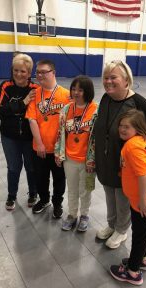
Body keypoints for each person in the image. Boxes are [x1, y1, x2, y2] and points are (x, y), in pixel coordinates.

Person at [94, 60, 146, 249]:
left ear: (126, 80)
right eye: (106, 77)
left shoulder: (139, 103)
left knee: (122, 201)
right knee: (110, 198)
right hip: (105, 164)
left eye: (113, 77)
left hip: (125, 170)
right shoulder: (105, 99)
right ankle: (112, 225)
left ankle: (121, 230)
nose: (108, 81)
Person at [110, 109, 146, 285]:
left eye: (127, 126)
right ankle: (144, 259)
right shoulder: (140, 140)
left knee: (139, 237)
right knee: (141, 234)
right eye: (120, 125)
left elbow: (144, 174)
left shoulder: (133, 146)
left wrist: (143, 200)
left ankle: (133, 272)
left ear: (138, 128)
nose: (122, 129)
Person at [25, 59, 70, 218]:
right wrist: (39, 143)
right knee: (41, 178)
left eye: (44, 72)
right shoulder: (35, 94)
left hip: (59, 149)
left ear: (53, 73)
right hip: (40, 147)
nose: (40, 75)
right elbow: (32, 119)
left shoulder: (66, 94)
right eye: (38, 72)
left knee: (59, 179)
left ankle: (57, 203)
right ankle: (44, 200)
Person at [0, 54, 38, 211]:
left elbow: (39, 113)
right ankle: (11, 195)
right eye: (16, 70)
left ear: (29, 72)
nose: (19, 74)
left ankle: (33, 193)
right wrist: (23, 103)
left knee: (31, 167)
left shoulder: (35, 89)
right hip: (9, 137)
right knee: (13, 167)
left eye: (23, 71)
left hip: (29, 137)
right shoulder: (6, 86)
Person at [54, 75, 98, 231]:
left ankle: (84, 215)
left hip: (89, 162)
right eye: (74, 89)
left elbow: (99, 138)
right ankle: (72, 215)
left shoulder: (96, 110)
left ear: (88, 91)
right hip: (70, 159)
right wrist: (58, 153)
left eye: (81, 89)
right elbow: (60, 133)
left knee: (86, 190)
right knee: (72, 190)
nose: (76, 92)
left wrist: (95, 160)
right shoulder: (66, 109)